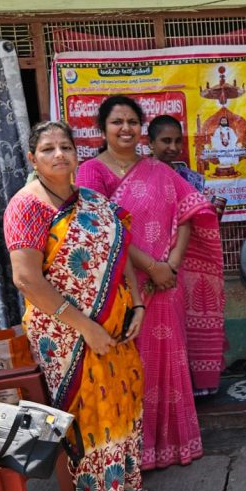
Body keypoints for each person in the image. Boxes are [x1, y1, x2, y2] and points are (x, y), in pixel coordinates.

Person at [4, 121, 151, 491]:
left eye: (65, 147)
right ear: (32, 159)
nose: (58, 155)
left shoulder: (92, 201)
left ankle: (124, 490)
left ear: (77, 154)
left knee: (123, 405)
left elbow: (119, 252)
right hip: (67, 337)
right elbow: (27, 280)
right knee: (92, 415)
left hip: (116, 329)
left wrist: (137, 302)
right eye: (47, 149)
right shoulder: (26, 207)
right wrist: (86, 327)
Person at [76, 95, 215, 469]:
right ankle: (135, 453)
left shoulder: (158, 169)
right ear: (102, 129)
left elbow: (188, 213)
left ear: (141, 128)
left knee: (167, 364)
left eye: (132, 122)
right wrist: (152, 267)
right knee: (130, 369)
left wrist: (170, 264)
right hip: (121, 289)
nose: (125, 129)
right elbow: (105, 230)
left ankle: (172, 444)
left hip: (166, 285)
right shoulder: (91, 173)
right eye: (117, 122)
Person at [146, 115, 227, 398]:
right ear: (150, 143)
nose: (172, 147)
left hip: (191, 262)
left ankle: (198, 387)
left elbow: (198, 218)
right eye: (165, 141)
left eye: (177, 141)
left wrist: (210, 215)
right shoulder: (141, 178)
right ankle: (169, 390)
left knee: (193, 323)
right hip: (155, 266)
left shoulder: (190, 179)